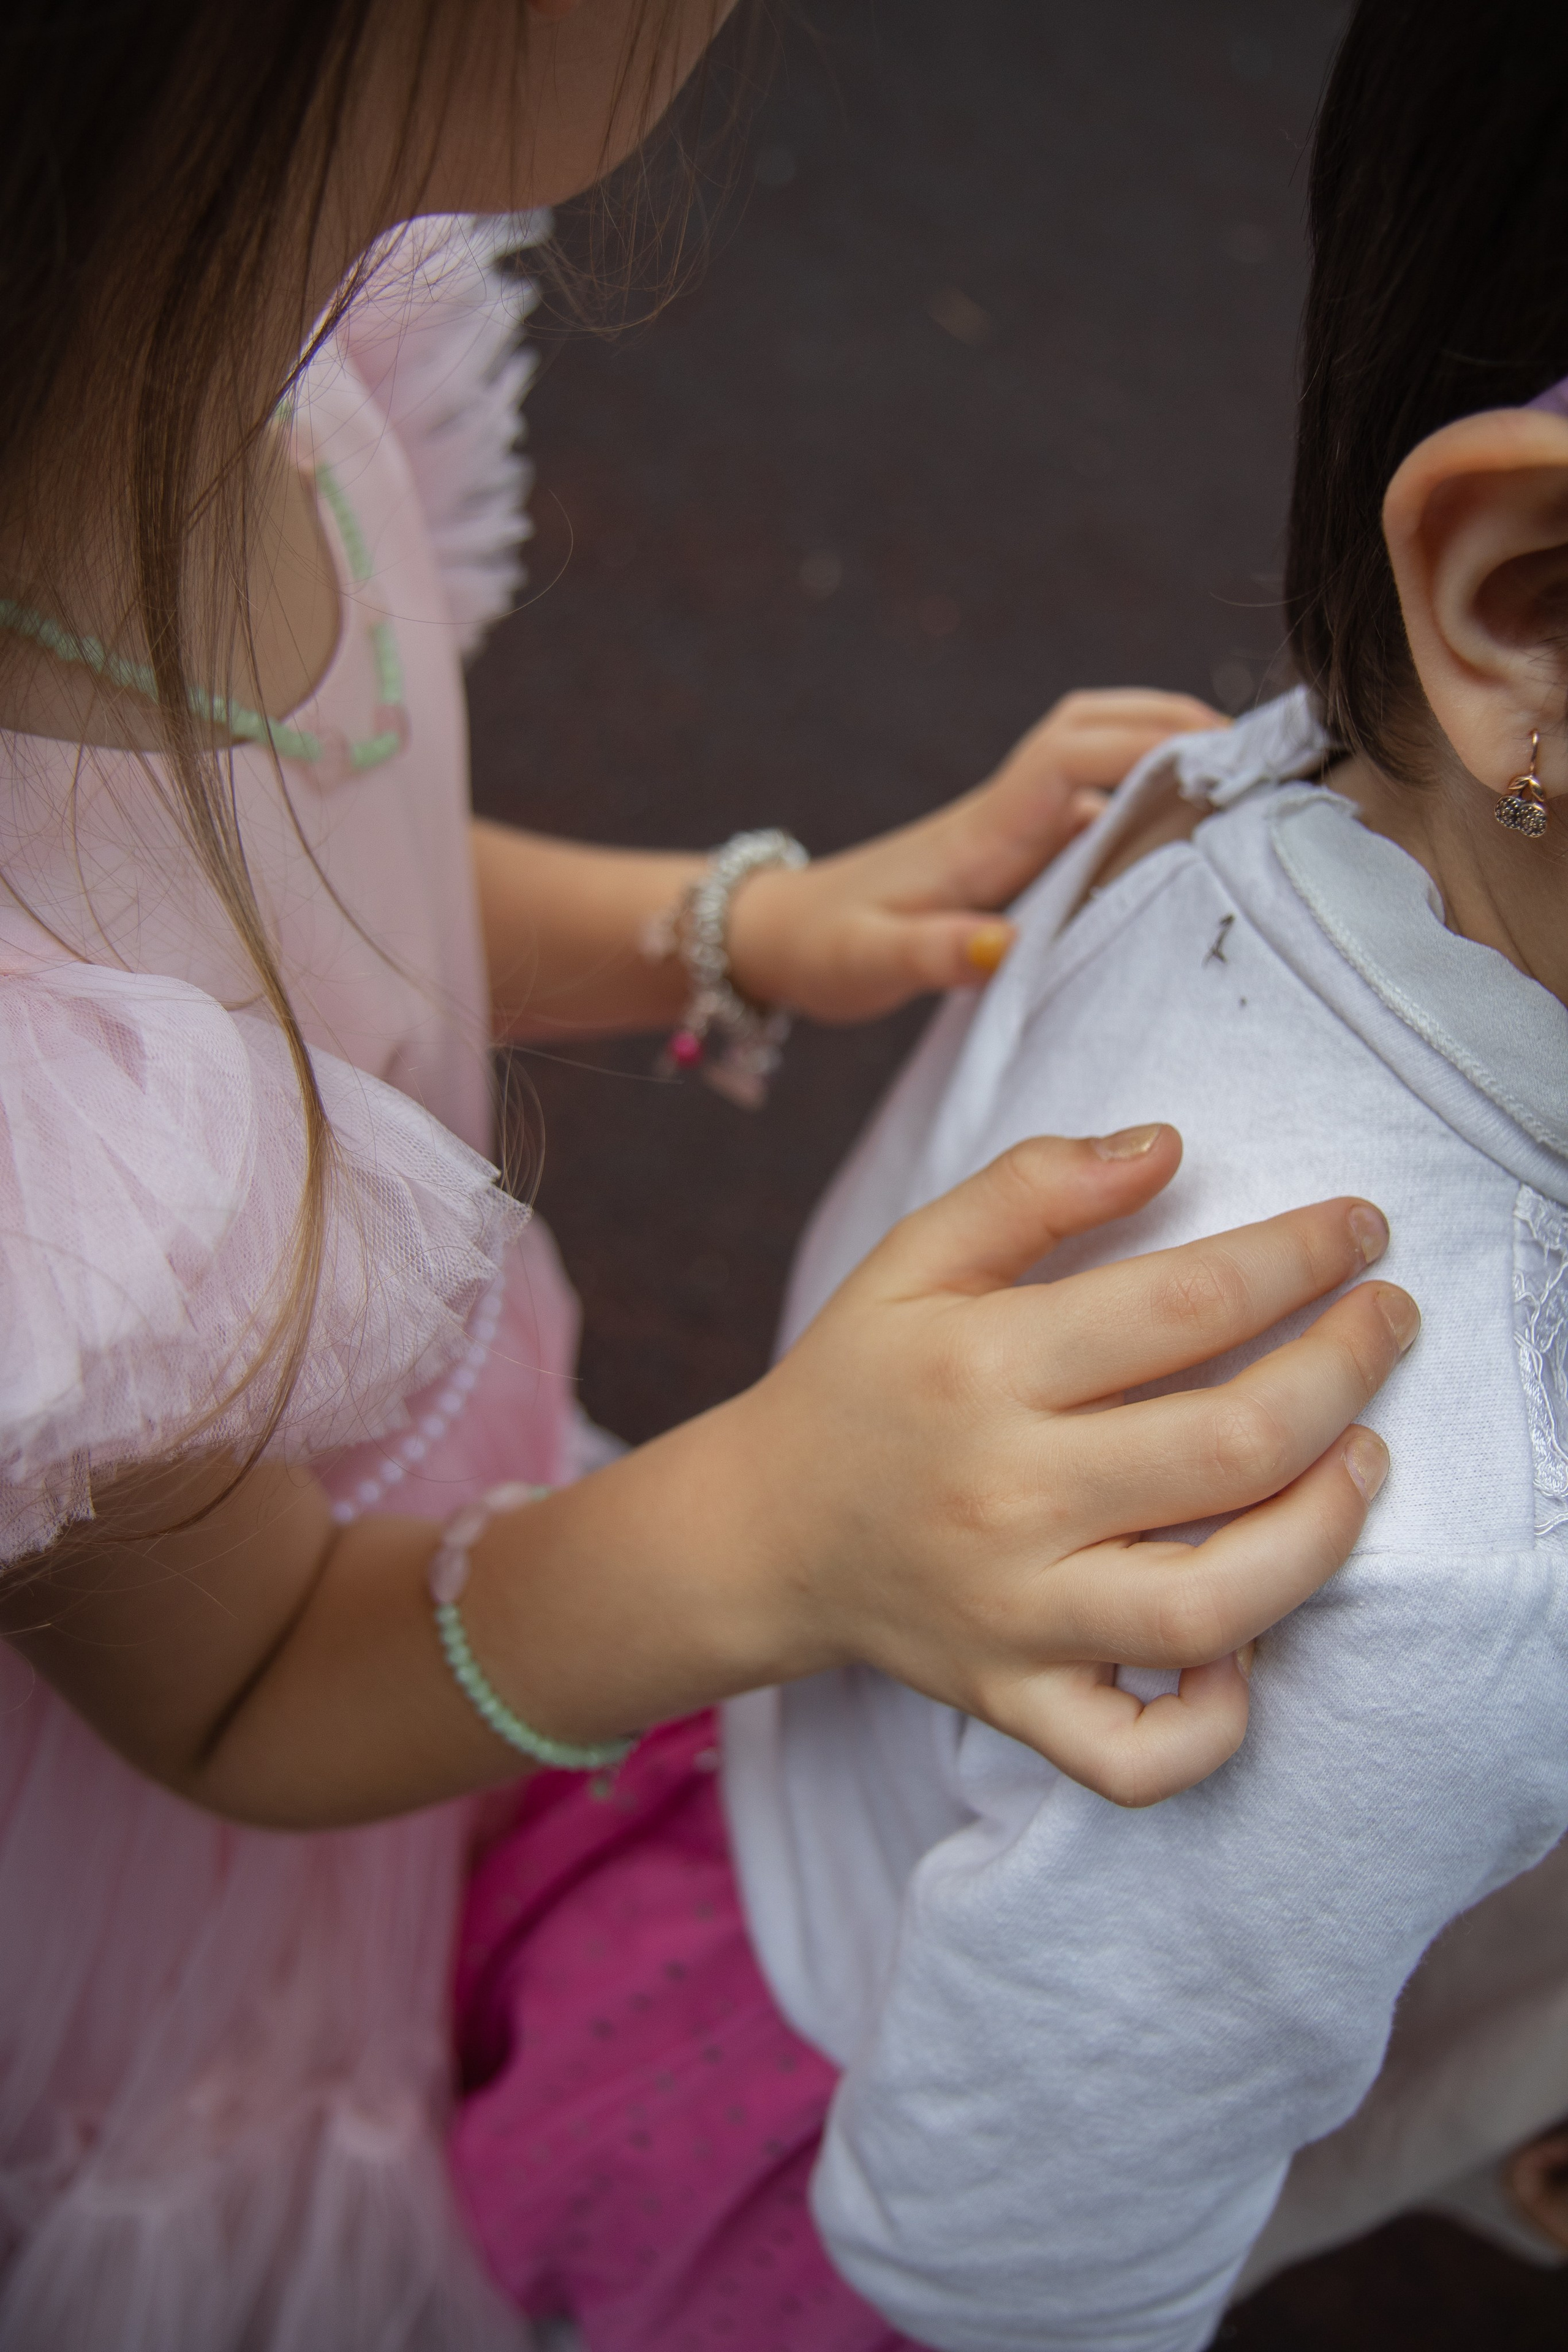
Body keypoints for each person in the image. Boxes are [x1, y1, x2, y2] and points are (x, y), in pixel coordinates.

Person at [0, 4, 1412, 2348]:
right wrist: (776, 1535)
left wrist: (730, 924)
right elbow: (241, 1693)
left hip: (370, 1527)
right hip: (224, 1787)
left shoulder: (215, 333)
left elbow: (274, 884)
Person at [450, 2, 1568, 2346]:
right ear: (1526, 604)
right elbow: (1018, 2248)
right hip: (856, 2136)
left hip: (754, 1804)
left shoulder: (1217, 789)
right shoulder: (1441, 1567)